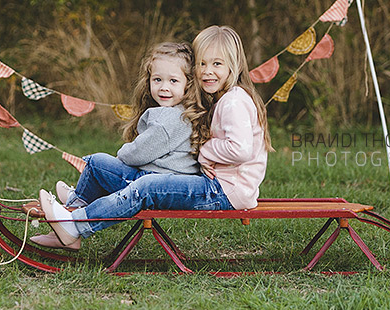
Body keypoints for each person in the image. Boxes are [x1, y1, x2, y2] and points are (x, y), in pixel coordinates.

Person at [38, 25, 272, 249]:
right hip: (218, 185)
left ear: (234, 65)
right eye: (202, 63)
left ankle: (75, 225)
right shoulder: (225, 98)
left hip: (225, 192)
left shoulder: (233, 101)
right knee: (98, 162)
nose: (207, 71)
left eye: (217, 64)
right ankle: (70, 217)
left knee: (147, 187)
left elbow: (241, 149)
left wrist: (205, 153)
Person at [31, 42, 199, 250]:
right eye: (157, 79)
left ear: (188, 84)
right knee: (98, 163)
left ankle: (74, 212)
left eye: (173, 81)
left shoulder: (170, 119)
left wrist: (123, 153)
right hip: (159, 179)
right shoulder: (177, 112)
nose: (164, 87)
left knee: (96, 163)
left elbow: (137, 154)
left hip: (157, 185)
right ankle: (73, 211)